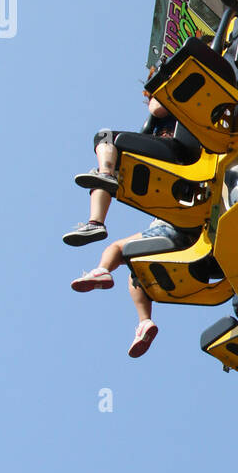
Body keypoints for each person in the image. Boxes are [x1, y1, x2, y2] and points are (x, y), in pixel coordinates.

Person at [63, 87, 178, 246]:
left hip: (175, 148)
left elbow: (157, 109)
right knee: (102, 173)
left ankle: (106, 174)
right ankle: (96, 222)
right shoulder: (156, 121)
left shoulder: (177, 96)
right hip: (161, 151)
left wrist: (158, 94)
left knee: (104, 136)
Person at [70, 218, 196, 358]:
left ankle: (102, 270)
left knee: (117, 247)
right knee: (136, 274)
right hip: (196, 246)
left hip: (171, 230)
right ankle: (144, 323)